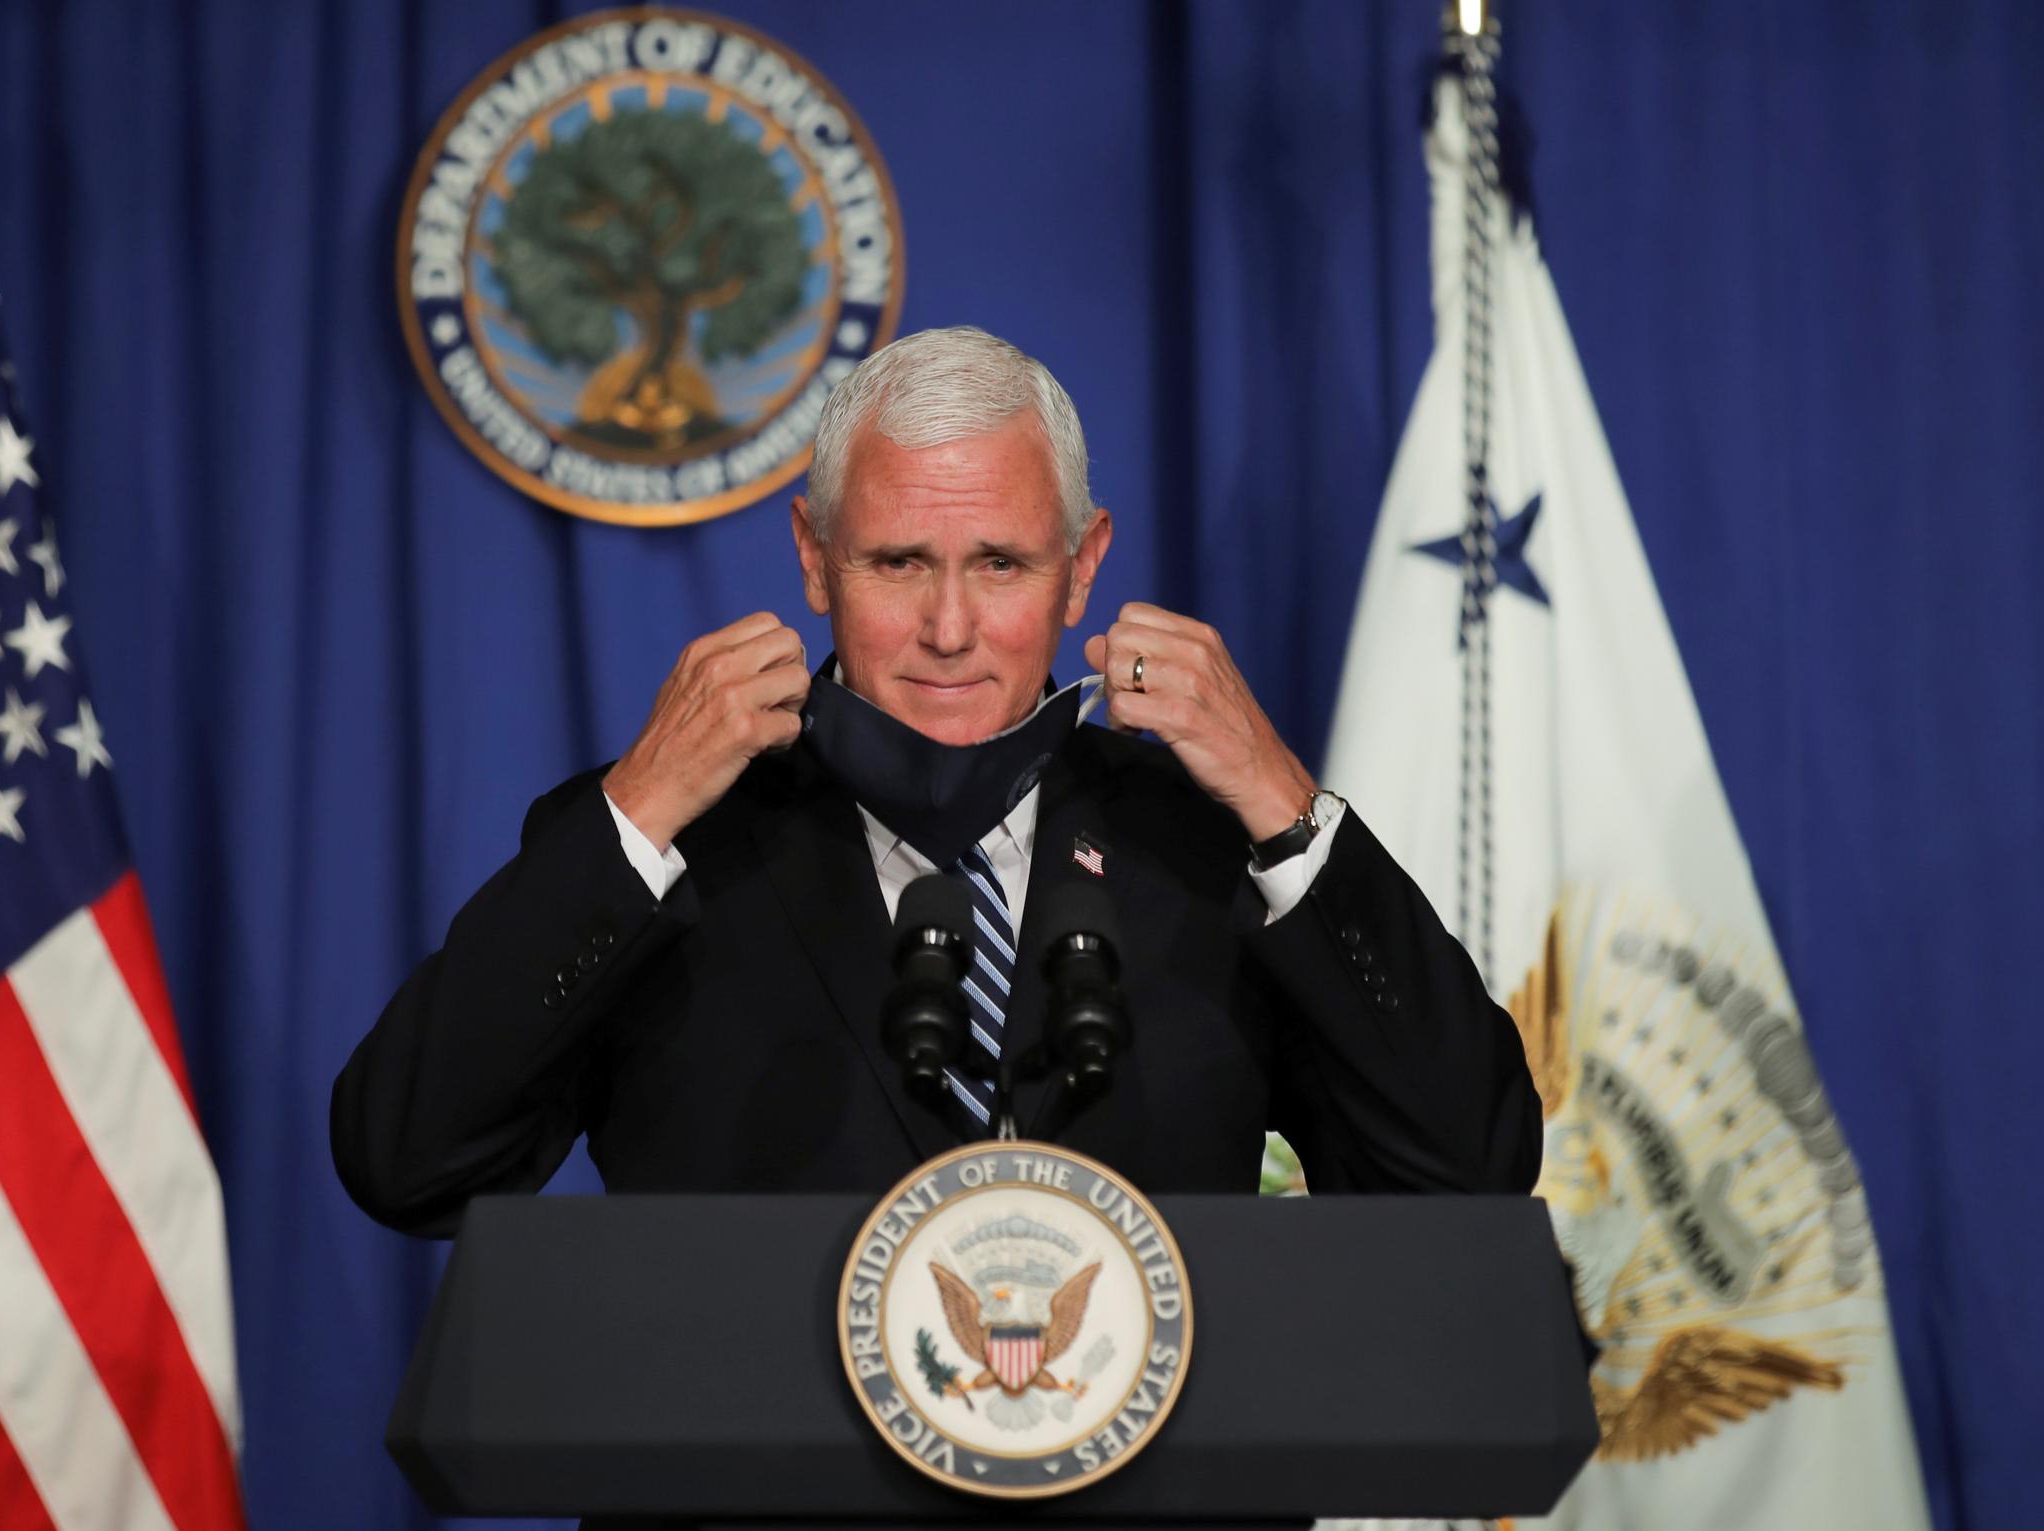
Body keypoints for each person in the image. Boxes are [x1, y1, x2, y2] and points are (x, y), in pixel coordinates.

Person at [332, 326, 1538, 1236]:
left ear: (1082, 570)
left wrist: (1285, 807)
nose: (948, 627)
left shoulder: (1207, 847)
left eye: (1001, 563)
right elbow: (408, 1162)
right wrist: (639, 809)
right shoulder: (661, 846)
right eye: (897, 560)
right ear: (814, 559)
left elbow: (1464, 1170)